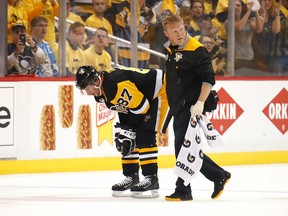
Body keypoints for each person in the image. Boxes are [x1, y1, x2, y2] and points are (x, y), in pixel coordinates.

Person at [162, 14, 231, 201]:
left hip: (191, 107)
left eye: (182, 28)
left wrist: (200, 103)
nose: (180, 33)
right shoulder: (171, 50)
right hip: (179, 107)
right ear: (166, 33)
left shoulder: (197, 50)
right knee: (185, 148)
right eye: (174, 31)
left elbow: (208, 79)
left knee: (183, 148)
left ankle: (184, 189)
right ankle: (218, 175)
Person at [75, 65, 169, 198]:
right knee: (125, 138)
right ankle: (131, 176)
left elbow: (142, 107)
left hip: (161, 91)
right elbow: (124, 109)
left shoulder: (113, 85)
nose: (88, 92)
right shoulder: (101, 93)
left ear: (95, 81)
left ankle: (151, 178)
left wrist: (128, 131)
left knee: (144, 134)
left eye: (87, 88)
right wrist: (124, 130)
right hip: (143, 98)